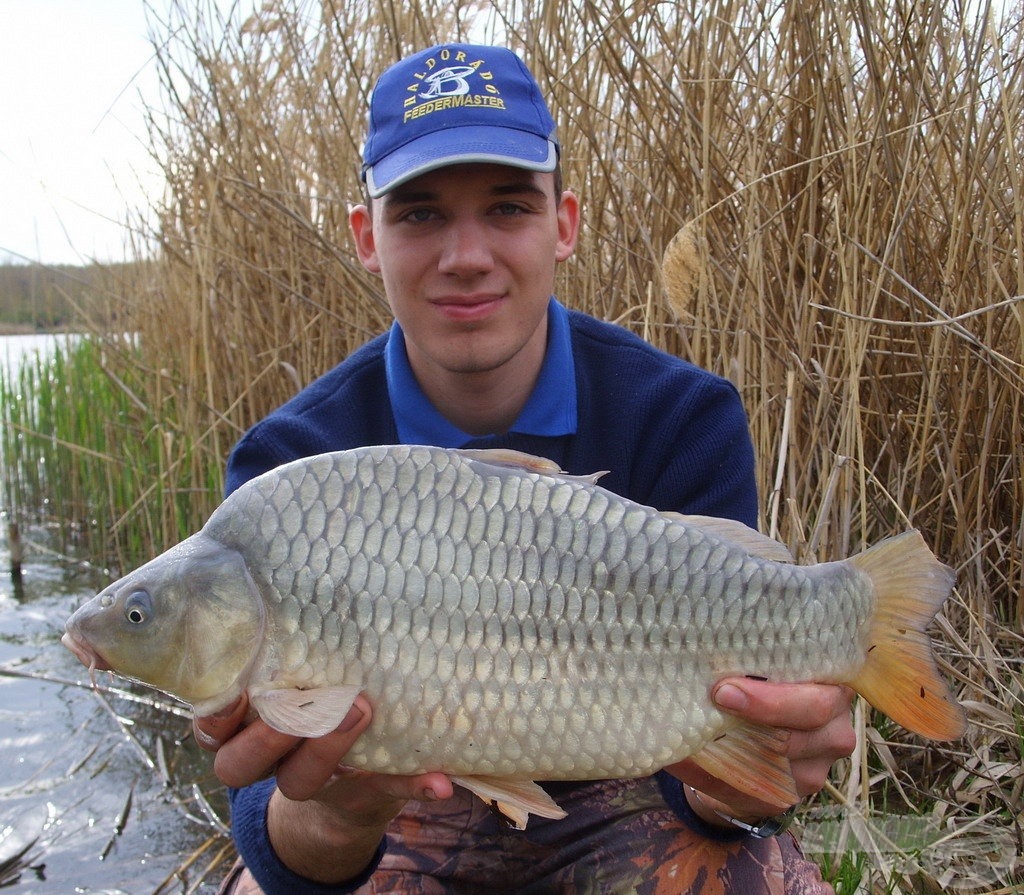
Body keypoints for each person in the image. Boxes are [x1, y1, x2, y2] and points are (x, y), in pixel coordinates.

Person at [199, 43, 856, 894]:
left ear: (565, 222)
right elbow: (280, 838)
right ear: (368, 237)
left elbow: (711, 793)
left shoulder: (683, 417)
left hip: (626, 791)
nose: (465, 254)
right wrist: (334, 810)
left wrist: (754, 774)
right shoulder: (289, 468)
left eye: (508, 207)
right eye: (421, 214)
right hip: (392, 810)